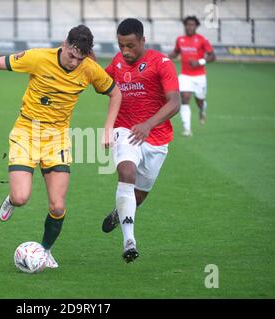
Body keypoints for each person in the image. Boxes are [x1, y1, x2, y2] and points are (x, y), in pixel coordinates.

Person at [0, 25, 122, 268]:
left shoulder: (89, 69)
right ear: (64, 44)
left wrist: (108, 128)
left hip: (57, 138)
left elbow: (116, 93)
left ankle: (46, 251)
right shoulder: (38, 58)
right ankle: (11, 200)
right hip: (27, 132)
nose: (74, 62)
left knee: (58, 205)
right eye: (71, 55)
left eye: (80, 58)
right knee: (21, 197)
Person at [101, 18, 180, 263]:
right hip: (125, 130)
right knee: (126, 173)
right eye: (121, 45)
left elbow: (175, 102)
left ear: (143, 41)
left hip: (156, 138)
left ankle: (120, 212)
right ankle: (129, 242)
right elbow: (102, 83)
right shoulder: (117, 61)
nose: (125, 51)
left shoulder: (162, 63)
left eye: (131, 45)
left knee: (138, 197)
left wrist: (148, 124)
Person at [168, 16, 216, 137]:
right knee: (185, 98)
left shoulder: (202, 40)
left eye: (192, 24)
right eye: (187, 24)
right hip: (185, 75)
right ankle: (187, 129)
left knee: (199, 100)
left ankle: (202, 110)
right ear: (185, 26)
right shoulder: (180, 39)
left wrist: (199, 62)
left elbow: (212, 56)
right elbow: (176, 51)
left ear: (196, 26)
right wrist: (166, 57)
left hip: (199, 76)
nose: (190, 27)